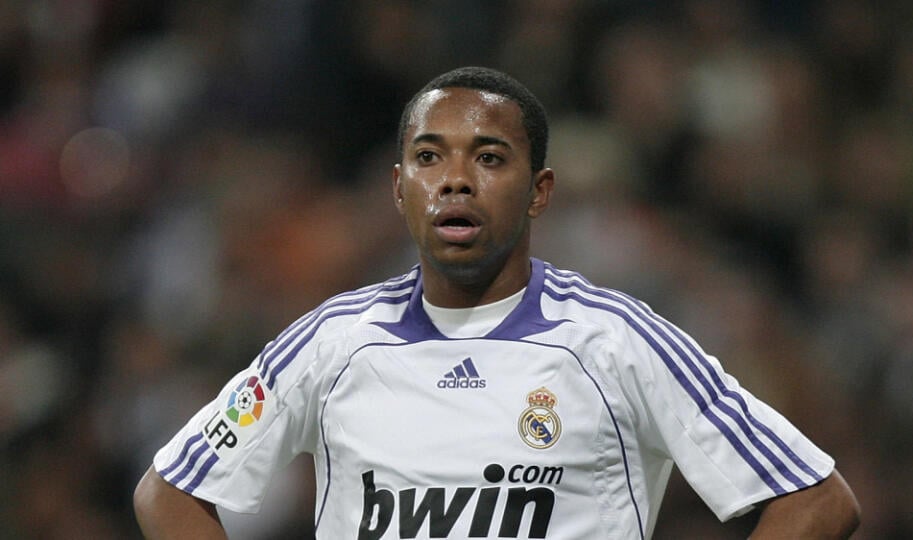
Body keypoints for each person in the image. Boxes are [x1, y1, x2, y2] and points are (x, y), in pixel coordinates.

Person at [133, 66, 860, 539]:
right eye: (428, 157)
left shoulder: (616, 343)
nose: (454, 180)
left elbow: (817, 499)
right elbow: (169, 493)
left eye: (487, 158)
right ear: (398, 189)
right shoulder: (332, 343)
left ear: (539, 190)